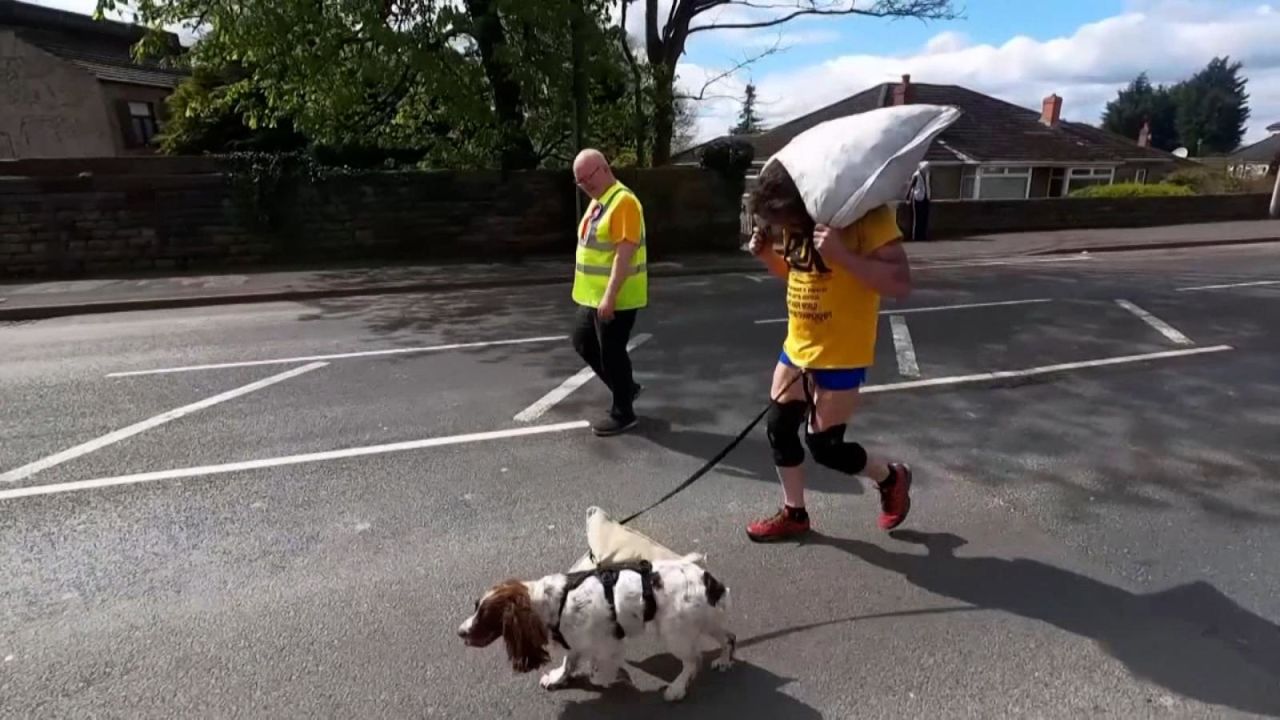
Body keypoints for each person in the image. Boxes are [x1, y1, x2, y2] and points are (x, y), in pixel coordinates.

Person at [743, 160, 914, 542]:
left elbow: (900, 282)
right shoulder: (793, 221)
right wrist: (768, 256)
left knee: (825, 447)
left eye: (783, 217)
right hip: (798, 345)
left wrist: (844, 255)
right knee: (779, 429)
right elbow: (800, 273)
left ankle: (892, 478)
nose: (782, 226)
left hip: (843, 351)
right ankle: (795, 513)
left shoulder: (866, 215)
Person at [569, 149, 647, 437]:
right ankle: (626, 389)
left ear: (603, 168)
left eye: (586, 178)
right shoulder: (600, 201)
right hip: (593, 296)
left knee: (612, 353)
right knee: (583, 341)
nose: (584, 186)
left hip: (616, 297)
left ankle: (623, 412)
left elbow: (623, 254)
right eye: (579, 182)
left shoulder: (623, 201)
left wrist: (610, 296)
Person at [906, 161, 931, 242]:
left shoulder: (927, 175)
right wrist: (908, 198)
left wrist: (929, 196)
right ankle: (916, 236)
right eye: (926, 168)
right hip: (917, 197)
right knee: (917, 218)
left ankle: (923, 235)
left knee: (924, 217)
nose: (927, 169)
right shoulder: (916, 175)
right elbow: (911, 186)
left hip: (925, 198)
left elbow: (928, 186)